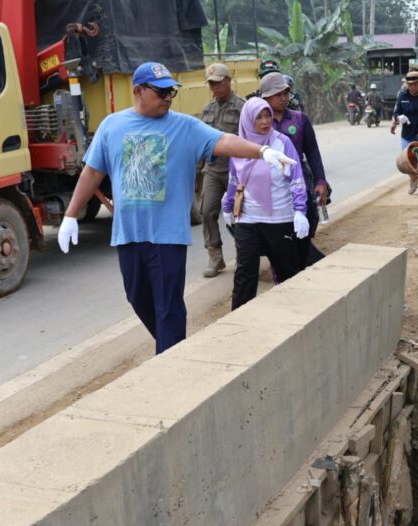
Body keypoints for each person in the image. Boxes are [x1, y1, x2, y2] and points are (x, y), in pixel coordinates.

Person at [57, 61, 295, 354]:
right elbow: (92, 173)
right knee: (137, 297)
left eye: (171, 91)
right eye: (161, 92)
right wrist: (70, 215)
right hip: (128, 235)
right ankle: (175, 350)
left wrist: (261, 151)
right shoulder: (112, 126)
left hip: (168, 237)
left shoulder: (184, 126)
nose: (168, 97)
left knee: (168, 306)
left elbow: (224, 140)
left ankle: (168, 359)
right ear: (138, 91)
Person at [221, 98, 309, 309]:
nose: (264, 121)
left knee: (287, 272)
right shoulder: (239, 146)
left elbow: (296, 179)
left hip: (280, 218)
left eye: (267, 115)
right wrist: (228, 205)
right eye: (258, 117)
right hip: (248, 219)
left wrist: (300, 211)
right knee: (245, 272)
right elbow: (234, 180)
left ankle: (293, 317)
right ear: (247, 120)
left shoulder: (282, 143)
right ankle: (240, 320)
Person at [260, 72, 329, 267]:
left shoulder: (300, 120)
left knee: (306, 223)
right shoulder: (260, 124)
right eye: (277, 94)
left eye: (285, 93)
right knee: (278, 236)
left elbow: (313, 152)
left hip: (299, 185)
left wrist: (321, 181)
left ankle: (301, 263)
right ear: (265, 97)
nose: (283, 98)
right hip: (272, 189)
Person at [198, 63, 245, 278]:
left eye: (218, 83)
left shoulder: (241, 107)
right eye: (211, 84)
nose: (215, 87)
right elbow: (200, 140)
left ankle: (245, 252)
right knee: (207, 211)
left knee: (241, 213)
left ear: (228, 80)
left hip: (235, 170)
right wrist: (197, 169)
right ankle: (215, 256)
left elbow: (249, 140)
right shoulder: (207, 109)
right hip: (212, 169)